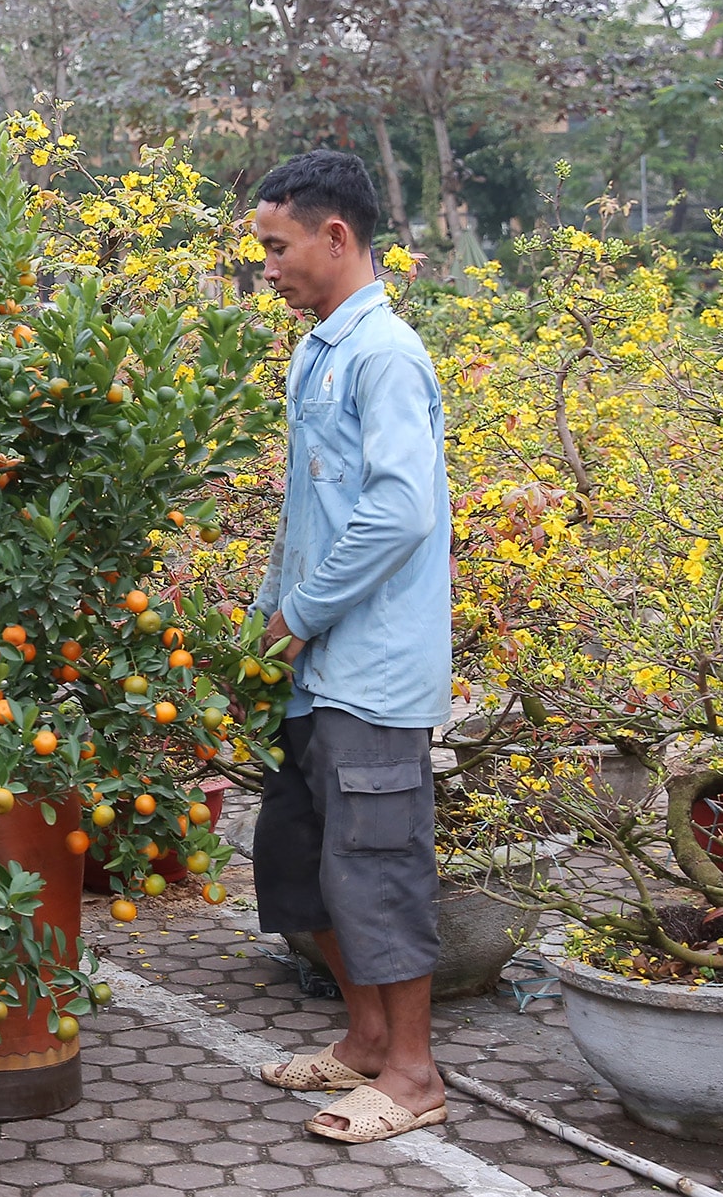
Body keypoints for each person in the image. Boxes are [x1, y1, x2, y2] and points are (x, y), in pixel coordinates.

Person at [246, 150, 453, 1145]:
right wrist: (261, 621)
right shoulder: (318, 348)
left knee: (376, 868)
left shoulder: (383, 354)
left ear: (336, 237)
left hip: (368, 670)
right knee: (294, 859)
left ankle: (412, 1077)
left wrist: (299, 615)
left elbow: (397, 512)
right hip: (314, 665)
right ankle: (365, 1039)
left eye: (277, 249)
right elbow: (311, 512)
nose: (268, 269)